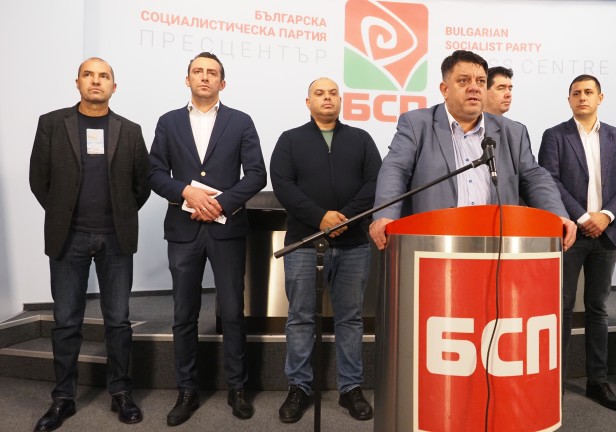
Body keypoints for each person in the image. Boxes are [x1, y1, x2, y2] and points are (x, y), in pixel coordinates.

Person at [29, 57, 149, 431]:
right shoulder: (52, 124)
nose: (96, 81)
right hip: (69, 237)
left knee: (118, 321)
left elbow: (141, 185)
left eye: (104, 76)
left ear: (114, 86)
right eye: (89, 75)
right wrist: (63, 213)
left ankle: (121, 393)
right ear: (78, 82)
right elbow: (39, 179)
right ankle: (63, 399)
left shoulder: (130, 131)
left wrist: (121, 214)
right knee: (66, 322)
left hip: (116, 238)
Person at [148, 52, 267, 426]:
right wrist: (186, 191)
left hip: (226, 228)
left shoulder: (241, 121)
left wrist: (219, 203)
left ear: (222, 82)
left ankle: (237, 388)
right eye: (197, 71)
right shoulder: (168, 122)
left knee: (232, 312)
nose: (204, 77)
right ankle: (186, 390)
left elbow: (256, 174)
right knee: (184, 314)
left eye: (212, 72)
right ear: (187, 80)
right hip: (183, 230)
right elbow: (154, 173)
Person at [369, 50, 576, 251]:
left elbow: (534, 177)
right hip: (433, 244)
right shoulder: (417, 124)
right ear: (444, 89)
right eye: (463, 81)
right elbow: (396, 169)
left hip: (494, 245)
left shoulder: (513, 132)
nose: (474, 88)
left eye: (481, 81)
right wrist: (386, 215)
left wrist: (557, 215)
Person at [270, 77, 381, 423]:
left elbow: (376, 181)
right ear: (308, 102)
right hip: (305, 243)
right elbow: (283, 184)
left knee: (350, 318)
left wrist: (345, 217)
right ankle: (299, 387)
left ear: (341, 100)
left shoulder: (361, 139)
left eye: (333, 93)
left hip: (353, 243)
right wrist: (320, 217)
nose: (327, 98)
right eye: (320, 93)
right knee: (301, 317)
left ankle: (351, 389)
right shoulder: (290, 140)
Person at [538, 74, 616, 411]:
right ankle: (555, 381)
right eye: (576, 93)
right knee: (562, 307)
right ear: (569, 100)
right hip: (570, 234)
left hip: (607, 233)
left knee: (598, 308)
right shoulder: (555, 136)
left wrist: (606, 215)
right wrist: (582, 217)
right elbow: (549, 181)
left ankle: (598, 381)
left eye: (588, 92)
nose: (582, 97)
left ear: (600, 98)